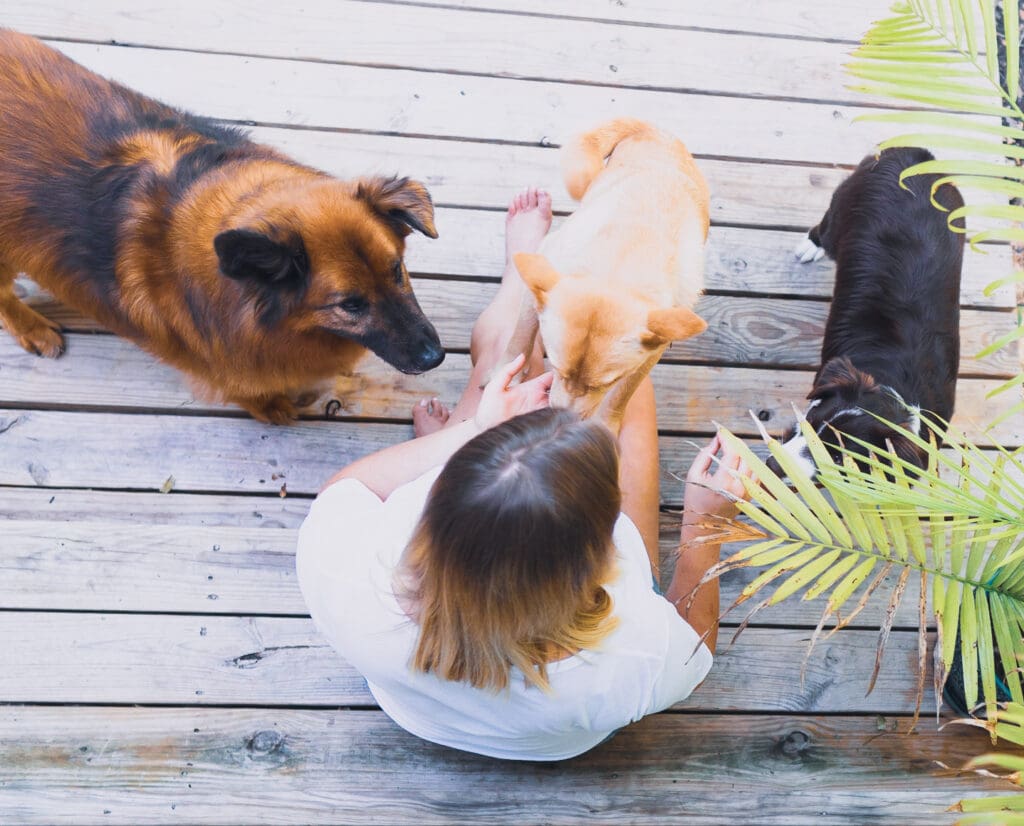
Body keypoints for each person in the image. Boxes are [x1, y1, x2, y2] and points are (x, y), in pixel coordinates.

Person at [296, 189, 752, 761]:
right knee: (626, 389)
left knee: (496, 371)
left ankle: (523, 282)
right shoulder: (632, 653)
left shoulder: (348, 572)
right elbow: (696, 651)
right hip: (549, 739)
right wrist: (704, 525)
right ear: (598, 552)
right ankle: (538, 297)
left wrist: (473, 430)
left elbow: (349, 488)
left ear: (436, 506)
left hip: (417, 713)